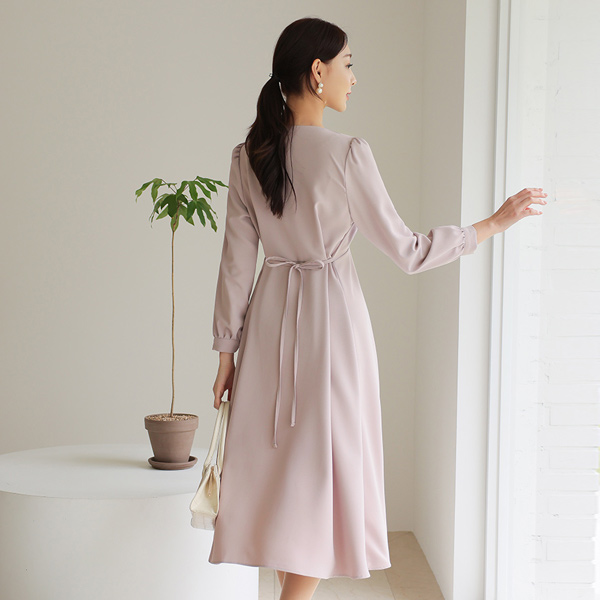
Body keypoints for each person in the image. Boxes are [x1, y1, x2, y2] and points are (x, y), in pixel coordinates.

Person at [209, 17, 547, 600]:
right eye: (348, 65)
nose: (354, 78)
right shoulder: (346, 154)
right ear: (317, 73)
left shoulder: (248, 156)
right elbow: (409, 251)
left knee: (284, 478)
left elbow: (236, 264)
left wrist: (226, 354)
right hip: (331, 328)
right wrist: (491, 225)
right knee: (322, 477)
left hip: (267, 330)